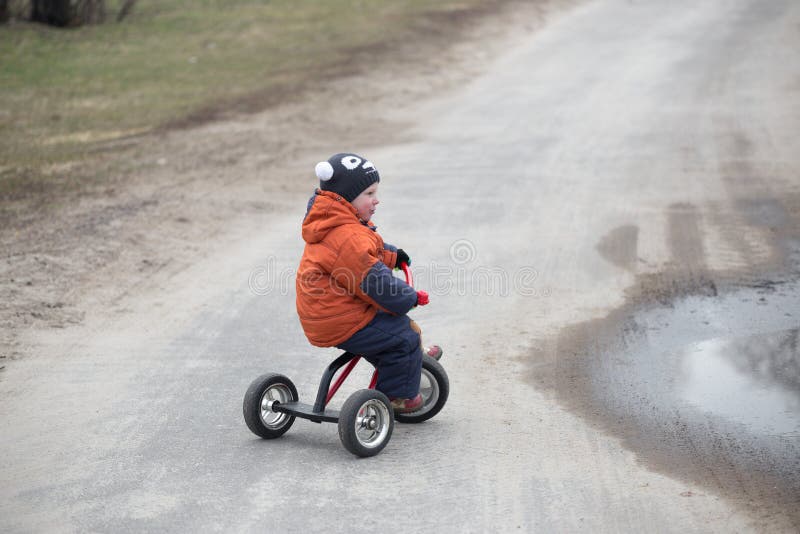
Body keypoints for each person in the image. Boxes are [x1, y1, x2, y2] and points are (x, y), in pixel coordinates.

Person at [295, 152, 441, 413]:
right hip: (342, 318)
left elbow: (367, 251)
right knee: (403, 336)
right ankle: (398, 397)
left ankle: (407, 362)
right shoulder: (347, 235)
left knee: (389, 331)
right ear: (346, 197)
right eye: (370, 193)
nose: (377, 200)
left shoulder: (337, 223)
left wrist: (392, 256)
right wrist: (408, 296)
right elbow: (376, 283)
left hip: (325, 315)